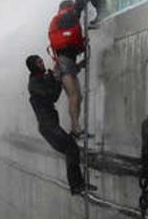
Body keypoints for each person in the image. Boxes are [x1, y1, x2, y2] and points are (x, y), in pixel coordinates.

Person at [25, 54, 95, 195]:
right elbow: (53, 96)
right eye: (39, 62)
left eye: (41, 60)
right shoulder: (35, 83)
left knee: (70, 147)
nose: (42, 63)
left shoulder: (42, 78)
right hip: (48, 127)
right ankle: (76, 185)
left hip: (51, 126)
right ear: (33, 66)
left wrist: (78, 67)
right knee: (71, 148)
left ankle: (77, 184)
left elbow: (63, 74)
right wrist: (56, 78)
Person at [48, 0, 88, 139]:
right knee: (74, 96)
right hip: (64, 62)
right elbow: (70, 39)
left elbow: (70, 40)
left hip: (67, 61)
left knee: (78, 96)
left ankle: (75, 127)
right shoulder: (65, 17)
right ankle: (75, 128)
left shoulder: (60, 20)